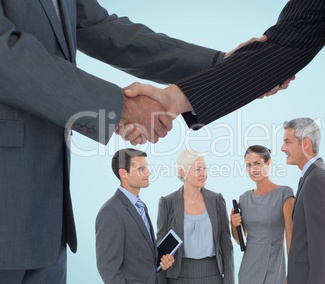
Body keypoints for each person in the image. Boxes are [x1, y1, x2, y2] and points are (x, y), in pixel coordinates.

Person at [0, 1, 289, 282]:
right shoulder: (149, 205)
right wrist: (119, 107)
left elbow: (102, 29)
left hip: (47, 223)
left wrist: (224, 67)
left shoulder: (215, 200)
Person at [128, 1, 325, 282]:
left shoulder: (288, 191)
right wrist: (176, 98)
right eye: (248, 164)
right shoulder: (238, 198)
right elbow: (282, 49)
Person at [280, 118, 325, 284]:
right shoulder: (318, 175)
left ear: (306, 143)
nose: (282, 148)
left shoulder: (316, 180)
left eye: (287, 142)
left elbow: (323, 243)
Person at [96, 148, 174, 283]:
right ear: (123, 173)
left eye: (147, 168)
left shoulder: (141, 205)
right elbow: (108, 267)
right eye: (141, 169)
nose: (148, 172)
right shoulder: (111, 211)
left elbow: (142, 251)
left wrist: (161, 261)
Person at [156, 149, 234, 284]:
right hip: (178, 277)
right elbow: (161, 251)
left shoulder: (216, 200)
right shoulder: (167, 203)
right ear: (183, 172)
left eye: (205, 168)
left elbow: (226, 246)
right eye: (198, 169)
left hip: (213, 276)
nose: (204, 173)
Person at [230, 145, 294, 284]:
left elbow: (291, 236)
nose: (253, 169)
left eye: (257, 163)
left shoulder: (284, 194)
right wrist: (233, 225)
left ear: (268, 163)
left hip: (274, 267)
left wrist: (293, 274)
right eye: (248, 165)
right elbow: (240, 239)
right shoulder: (244, 198)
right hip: (248, 269)